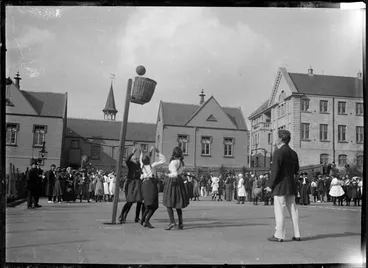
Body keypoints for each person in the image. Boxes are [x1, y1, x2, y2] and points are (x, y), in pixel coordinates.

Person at [266, 130, 301, 242]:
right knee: (293, 210)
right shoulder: (293, 153)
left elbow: (275, 171)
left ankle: (279, 235)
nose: (275, 139)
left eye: (277, 137)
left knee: (279, 210)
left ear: (281, 139)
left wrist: (270, 185)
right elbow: (296, 170)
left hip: (280, 186)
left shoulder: (278, 152)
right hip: (291, 185)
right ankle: (297, 234)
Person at [163, 146, 189, 230]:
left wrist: (167, 175)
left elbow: (174, 174)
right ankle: (180, 223)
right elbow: (178, 173)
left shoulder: (173, 162)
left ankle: (172, 222)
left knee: (168, 202)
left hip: (172, 183)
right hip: (179, 182)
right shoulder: (181, 162)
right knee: (178, 204)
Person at [140, 147, 166, 228]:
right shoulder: (153, 165)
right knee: (154, 205)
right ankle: (146, 221)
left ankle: (143, 219)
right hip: (151, 184)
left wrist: (145, 152)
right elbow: (163, 160)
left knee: (148, 204)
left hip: (144, 184)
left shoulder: (142, 166)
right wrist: (158, 153)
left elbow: (141, 158)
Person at [118, 147, 145, 224]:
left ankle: (137, 217)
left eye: (137, 158)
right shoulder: (130, 164)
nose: (136, 159)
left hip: (138, 183)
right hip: (131, 183)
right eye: (134, 158)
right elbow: (126, 160)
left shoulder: (139, 164)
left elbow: (143, 162)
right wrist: (132, 153)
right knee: (130, 201)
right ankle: (122, 215)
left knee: (139, 201)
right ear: (132, 159)